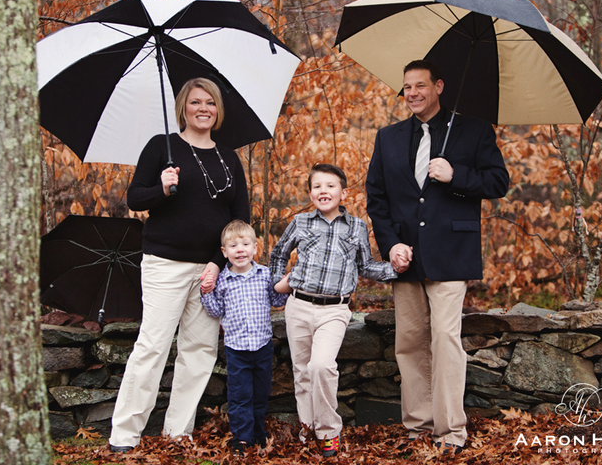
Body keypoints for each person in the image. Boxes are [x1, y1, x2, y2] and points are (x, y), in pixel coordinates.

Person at [365, 60, 509, 454]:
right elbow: (377, 199)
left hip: (451, 254)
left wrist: (456, 175)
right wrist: (390, 243)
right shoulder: (388, 137)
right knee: (410, 342)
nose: (412, 93)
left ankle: (451, 431)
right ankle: (417, 425)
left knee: (446, 339)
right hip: (405, 257)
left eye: (420, 86)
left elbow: (499, 182)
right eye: (406, 87)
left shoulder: (474, 130)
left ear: (439, 86)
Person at [109, 77, 250, 454]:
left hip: (209, 270)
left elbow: (240, 219)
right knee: (152, 346)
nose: (203, 109)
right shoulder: (162, 147)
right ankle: (124, 435)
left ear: (217, 111)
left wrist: (219, 264)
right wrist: (163, 187)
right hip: (165, 264)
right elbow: (136, 199)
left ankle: (178, 432)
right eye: (195, 103)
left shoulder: (229, 157)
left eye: (210, 103)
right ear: (183, 108)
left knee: (199, 351)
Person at [269, 163, 397, 458]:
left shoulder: (357, 227)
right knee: (302, 372)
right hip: (298, 305)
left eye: (330, 185)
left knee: (321, 366)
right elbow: (278, 253)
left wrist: (395, 269)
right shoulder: (301, 223)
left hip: (334, 310)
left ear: (344, 193)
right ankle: (307, 429)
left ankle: (328, 432)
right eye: (317, 186)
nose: (323, 191)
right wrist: (277, 282)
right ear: (310, 193)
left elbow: (365, 266)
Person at [199, 220, 288, 455]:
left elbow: (278, 301)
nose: (240, 249)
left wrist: (288, 286)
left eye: (245, 244)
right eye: (233, 245)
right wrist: (206, 292)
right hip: (236, 349)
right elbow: (215, 311)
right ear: (224, 252)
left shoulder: (265, 275)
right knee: (240, 396)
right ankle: (242, 438)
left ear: (255, 247)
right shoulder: (222, 281)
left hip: (262, 347)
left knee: (260, 393)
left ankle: (258, 434)